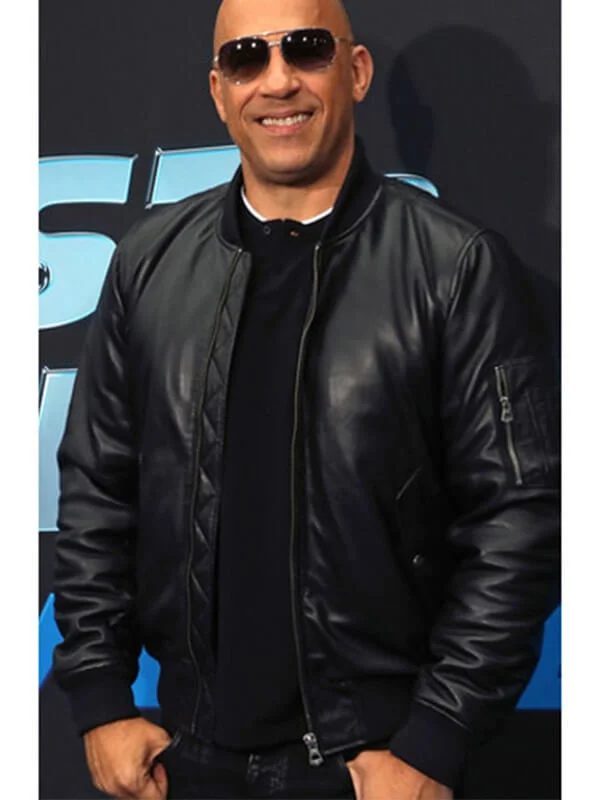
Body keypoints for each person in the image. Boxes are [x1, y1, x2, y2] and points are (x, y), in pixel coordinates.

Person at [52, 0, 560, 798]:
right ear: (219, 91)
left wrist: (435, 740)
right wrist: (101, 699)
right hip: (186, 758)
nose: (278, 80)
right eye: (247, 58)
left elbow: (517, 523)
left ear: (354, 72)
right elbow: (97, 492)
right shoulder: (148, 264)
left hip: (376, 764)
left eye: (307, 48)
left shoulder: (455, 268)